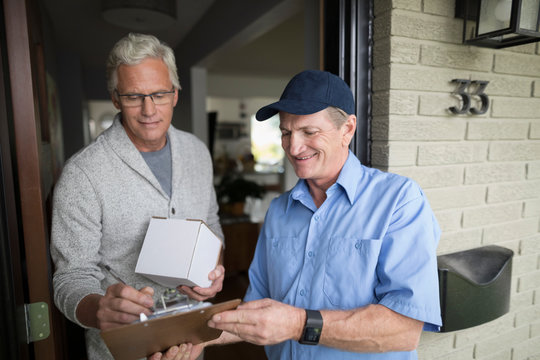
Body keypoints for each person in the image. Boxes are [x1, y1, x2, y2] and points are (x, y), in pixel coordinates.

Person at [152, 69, 442, 360]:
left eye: (309, 132)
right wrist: (199, 339)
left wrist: (297, 324)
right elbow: (258, 308)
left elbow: (404, 329)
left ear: (348, 129)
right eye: (286, 132)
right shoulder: (279, 211)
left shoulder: (399, 201)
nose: (293, 147)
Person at [50, 33, 225, 360]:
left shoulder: (198, 153)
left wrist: (214, 272)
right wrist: (99, 309)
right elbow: (70, 279)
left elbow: (212, 224)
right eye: (134, 96)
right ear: (116, 99)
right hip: (122, 354)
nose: (149, 110)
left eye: (159, 94)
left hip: (192, 346)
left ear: (175, 94)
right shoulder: (82, 174)